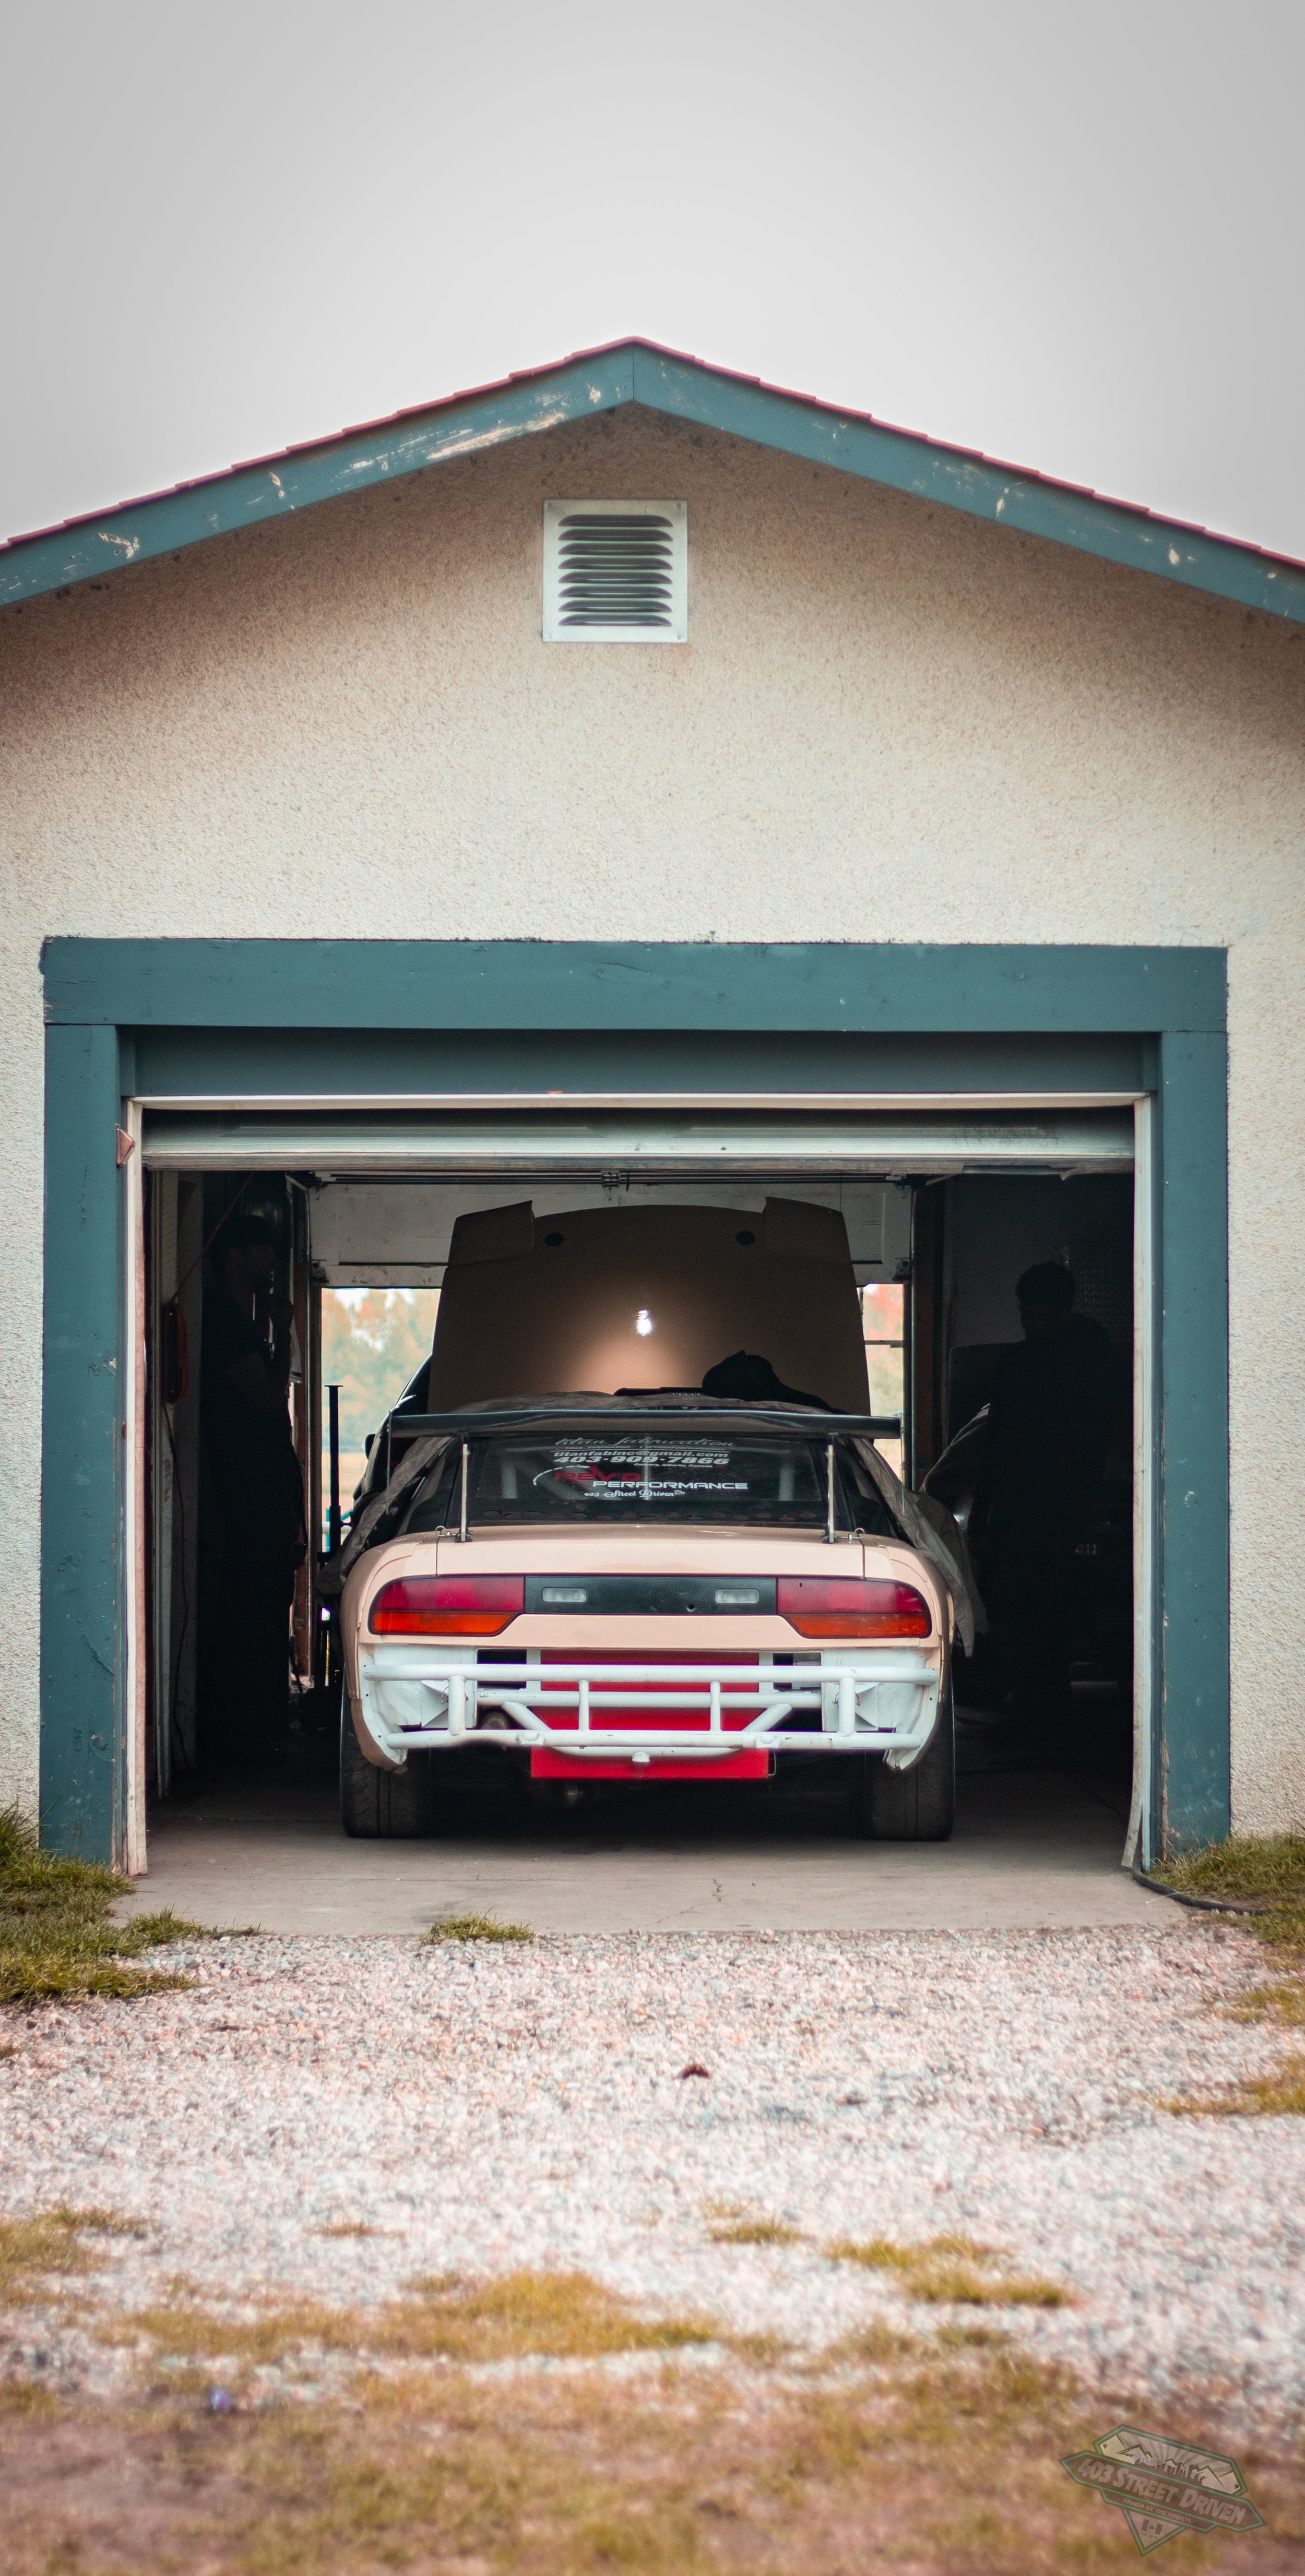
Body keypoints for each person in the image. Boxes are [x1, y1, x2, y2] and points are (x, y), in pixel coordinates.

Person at [968, 1262, 1116, 1742]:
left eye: (1042, 1315)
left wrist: (986, 1514)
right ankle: (1042, 1713)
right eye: (1028, 1314)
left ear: (1063, 1312)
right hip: (1055, 1506)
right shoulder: (1097, 1360)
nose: (1032, 1323)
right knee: (1036, 1613)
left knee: (1032, 1612)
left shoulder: (1039, 1365)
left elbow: (1001, 1444)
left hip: (1045, 1507)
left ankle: (1040, 1715)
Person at [198, 1213, 305, 1765]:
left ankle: (258, 1722)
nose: (271, 1260)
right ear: (237, 1256)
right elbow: (268, 1402)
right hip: (244, 1495)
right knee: (250, 1606)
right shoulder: (222, 1319)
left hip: (258, 1492)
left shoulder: (239, 1322)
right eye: (263, 1250)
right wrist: (283, 1332)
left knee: (266, 1605)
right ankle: (240, 1729)